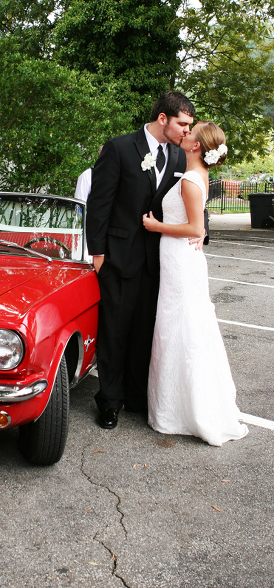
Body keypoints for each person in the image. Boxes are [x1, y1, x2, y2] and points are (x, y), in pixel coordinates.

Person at [86, 91, 196, 429]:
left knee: (145, 332)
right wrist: (98, 254)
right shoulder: (119, 148)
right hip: (118, 259)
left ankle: (136, 397)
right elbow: (99, 205)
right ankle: (109, 401)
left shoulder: (179, 157)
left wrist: (198, 230)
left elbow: (188, 199)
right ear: (163, 118)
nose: (187, 132)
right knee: (115, 333)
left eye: (189, 126)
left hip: (159, 261)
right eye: (182, 124)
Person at [143, 122, 248, 445]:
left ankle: (183, 410)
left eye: (192, 132)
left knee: (179, 326)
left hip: (181, 261)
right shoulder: (195, 174)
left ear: (197, 146)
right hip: (179, 260)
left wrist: (157, 226)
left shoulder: (190, 180)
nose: (186, 133)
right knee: (181, 325)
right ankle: (181, 405)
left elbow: (194, 229)